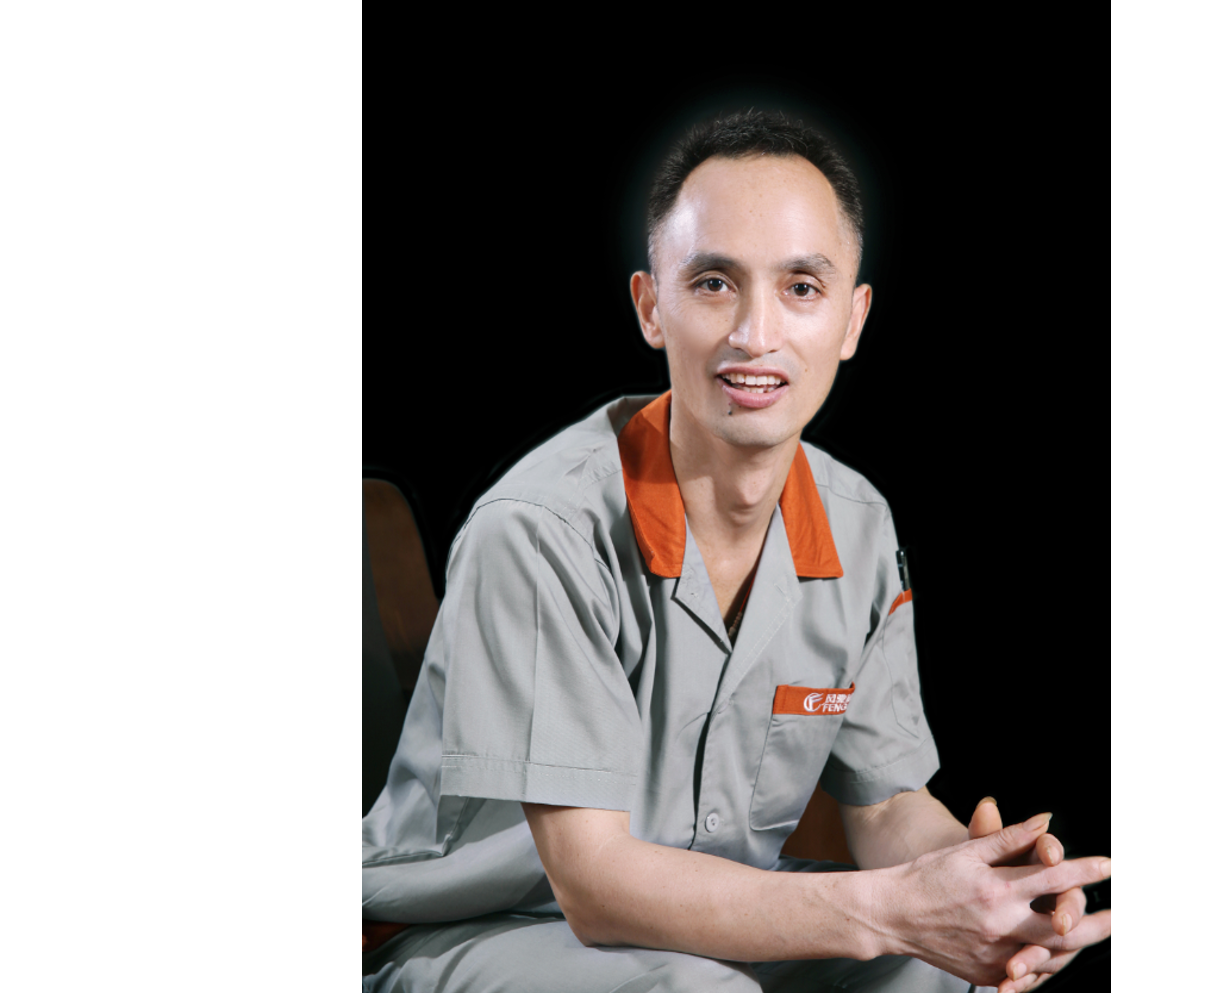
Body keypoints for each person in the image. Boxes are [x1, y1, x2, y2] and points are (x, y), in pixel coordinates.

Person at [361, 110, 1111, 992]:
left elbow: (885, 807)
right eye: (714, 283)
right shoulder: (540, 529)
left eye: (801, 287)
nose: (756, 334)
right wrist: (892, 908)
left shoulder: (858, 525)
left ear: (852, 319)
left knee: (939, 970)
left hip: (719, 913)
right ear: (652, 306)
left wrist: (983, 886)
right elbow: (593, 884)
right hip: (478, 928)